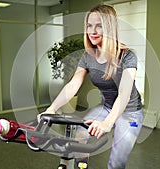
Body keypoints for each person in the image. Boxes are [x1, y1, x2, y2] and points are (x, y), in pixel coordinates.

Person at [38, 4, 144, 169]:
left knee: (116, 161)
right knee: (81, 134)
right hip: (107, 107)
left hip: (130, 113)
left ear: (109, 28)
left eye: (99, 26)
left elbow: (124, 93)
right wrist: (52, 108)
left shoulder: (127, 56)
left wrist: (107, 123)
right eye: (89, 25)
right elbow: (73, 84)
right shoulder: (88, 56)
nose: (92, 31)